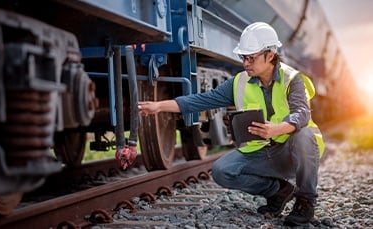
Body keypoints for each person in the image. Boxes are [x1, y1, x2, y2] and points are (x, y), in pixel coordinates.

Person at [137, 22, 325, 226]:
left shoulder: (292, 79)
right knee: (222, 170)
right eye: (243, 57)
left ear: (270, 55)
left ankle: (305, 201)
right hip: (265, 153)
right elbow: (202, 100)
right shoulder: (240, 82)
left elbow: (302, 113)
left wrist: (276, 129)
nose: (245, 63)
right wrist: (159, 106)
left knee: (304, 135)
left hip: (292, 153)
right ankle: (278, 191)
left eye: (250, 57)